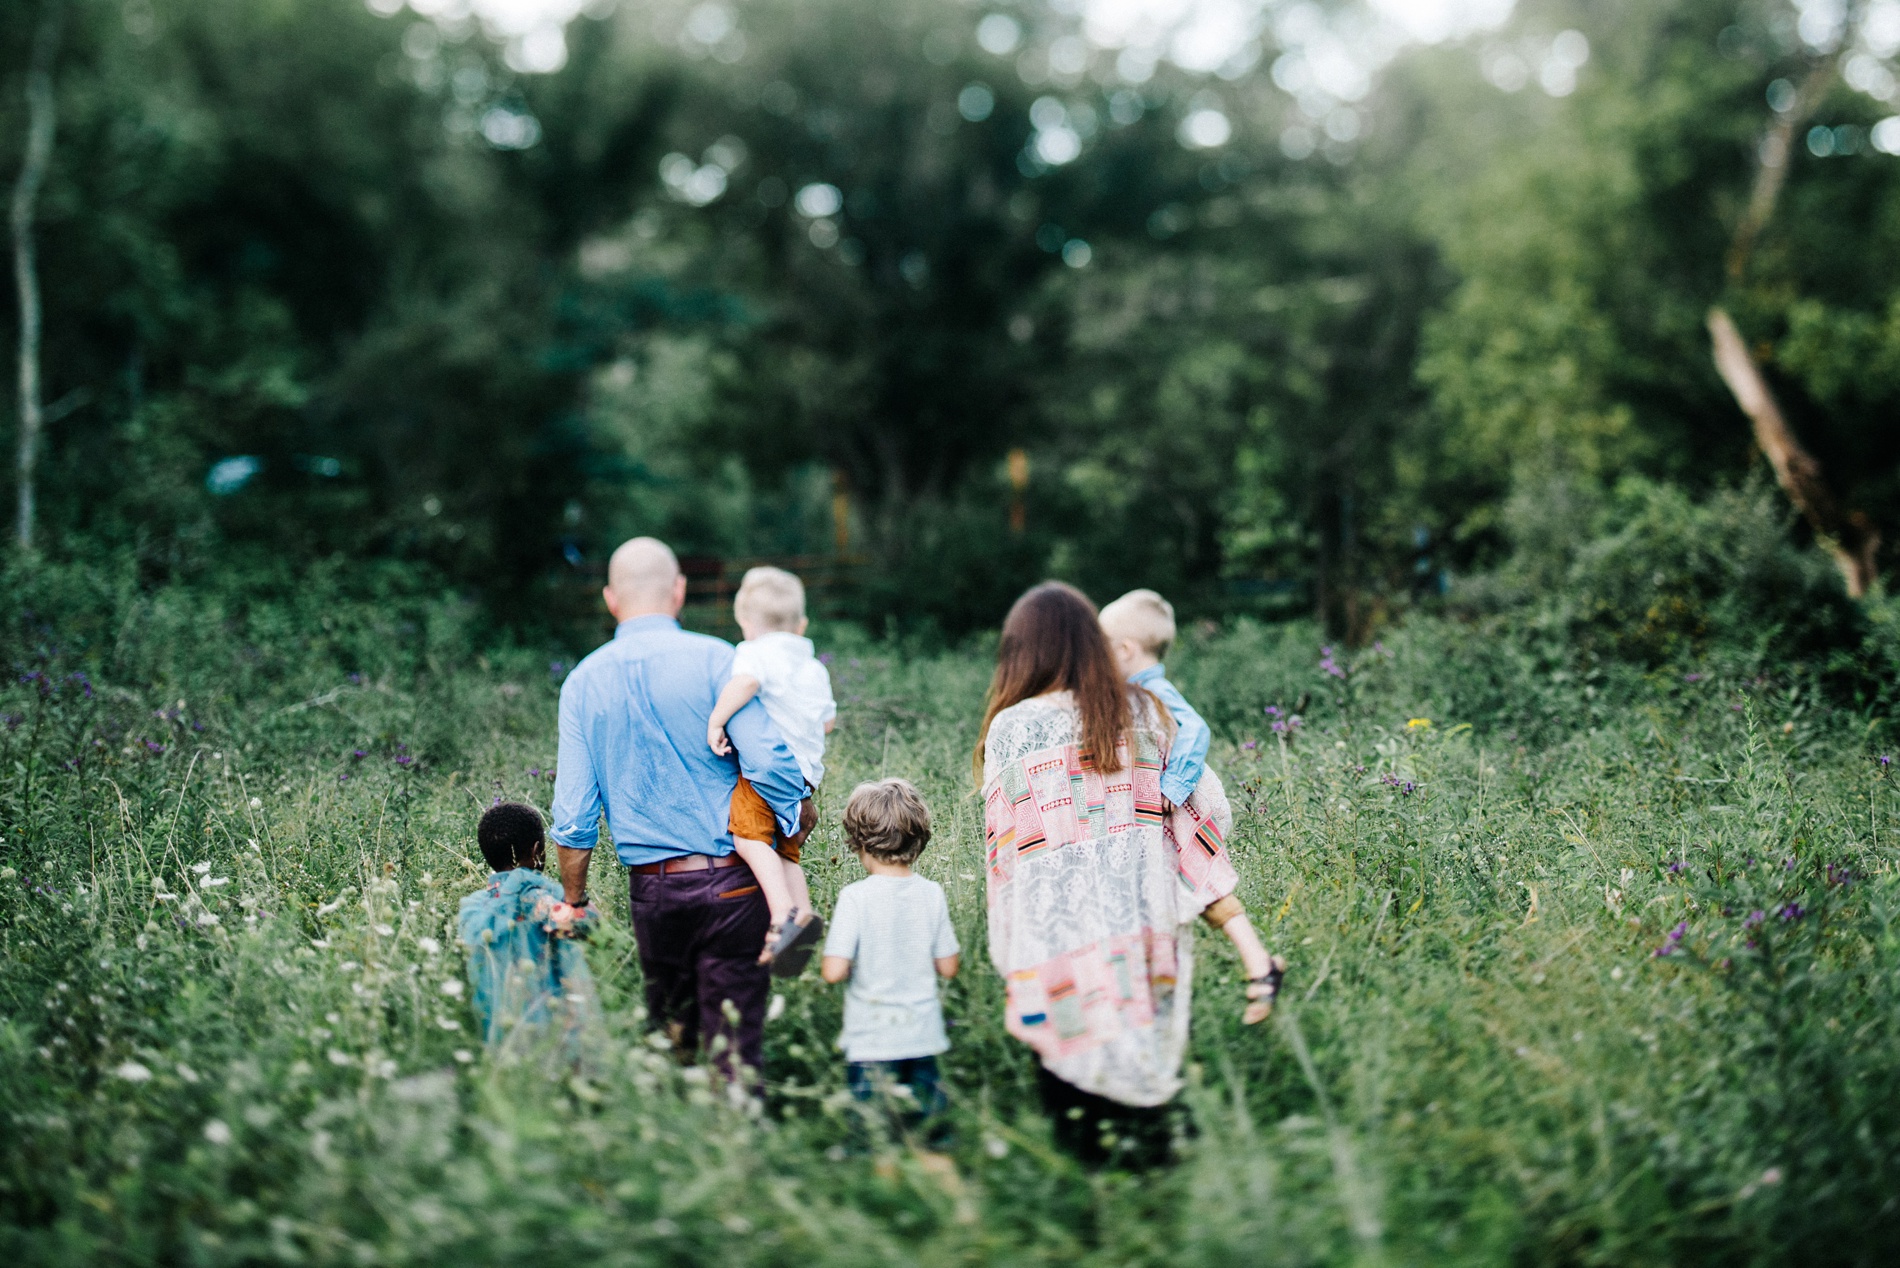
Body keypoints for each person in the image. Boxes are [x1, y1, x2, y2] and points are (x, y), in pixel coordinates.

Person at [976, 581, 1285, 1166]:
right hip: (1141, 937)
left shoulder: (1014, 727)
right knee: (1145, 1105)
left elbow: (1005, 853)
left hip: (1057, 943)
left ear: (1024, 652)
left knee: (1078, 1125)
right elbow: (1206, 807)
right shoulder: (1148, 712)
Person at [550, 537, 810, 1087]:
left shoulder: (581, 683)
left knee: (676, 1039)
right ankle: (739, 1139)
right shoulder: (719, 658)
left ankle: (683, 1143)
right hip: (737, 886)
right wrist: (795, 815)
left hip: (654, 892)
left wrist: (575, 901)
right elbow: (765, 759)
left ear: (610, 600)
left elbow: (574, 820)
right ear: (679, 591)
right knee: (735, 1048)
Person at [1099, 587, 1281, 1027]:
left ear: (1124, 651)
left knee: (1196, 882)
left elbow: (1195, 730)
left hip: (1181, 804)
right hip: (1162, 808)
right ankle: (1258, 966)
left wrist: (1172, 787)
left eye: (1101, 649)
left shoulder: (1153, 689)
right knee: (1190, 887)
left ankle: (1252, 968)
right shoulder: (1132, 690)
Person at [706, 566, 837, 973]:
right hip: (804, 777)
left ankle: (781, 915)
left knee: (747, 838)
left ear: (745, 621)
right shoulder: (814, 666)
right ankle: (803, 914)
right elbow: (828, 721)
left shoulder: (754, 652)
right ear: (801, 625)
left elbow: (745, 685)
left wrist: (717, 719)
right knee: (786, 849)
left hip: (770, 769)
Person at [819, 779, 961, 1133]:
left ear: (859, 843)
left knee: (875, 1136)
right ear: (918, 838)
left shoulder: (855, 898)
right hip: (922, 1037)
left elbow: (833, 971)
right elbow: (949, 967)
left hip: (872, 1040)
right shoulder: (932, 894)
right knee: (927, 1133)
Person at [457, 801, 599, 1049]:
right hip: (548, 1021)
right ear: (536, 852)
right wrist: (579, 900)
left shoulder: (475, 907)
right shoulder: (535, 898)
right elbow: (586, 924)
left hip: (503, 1022)